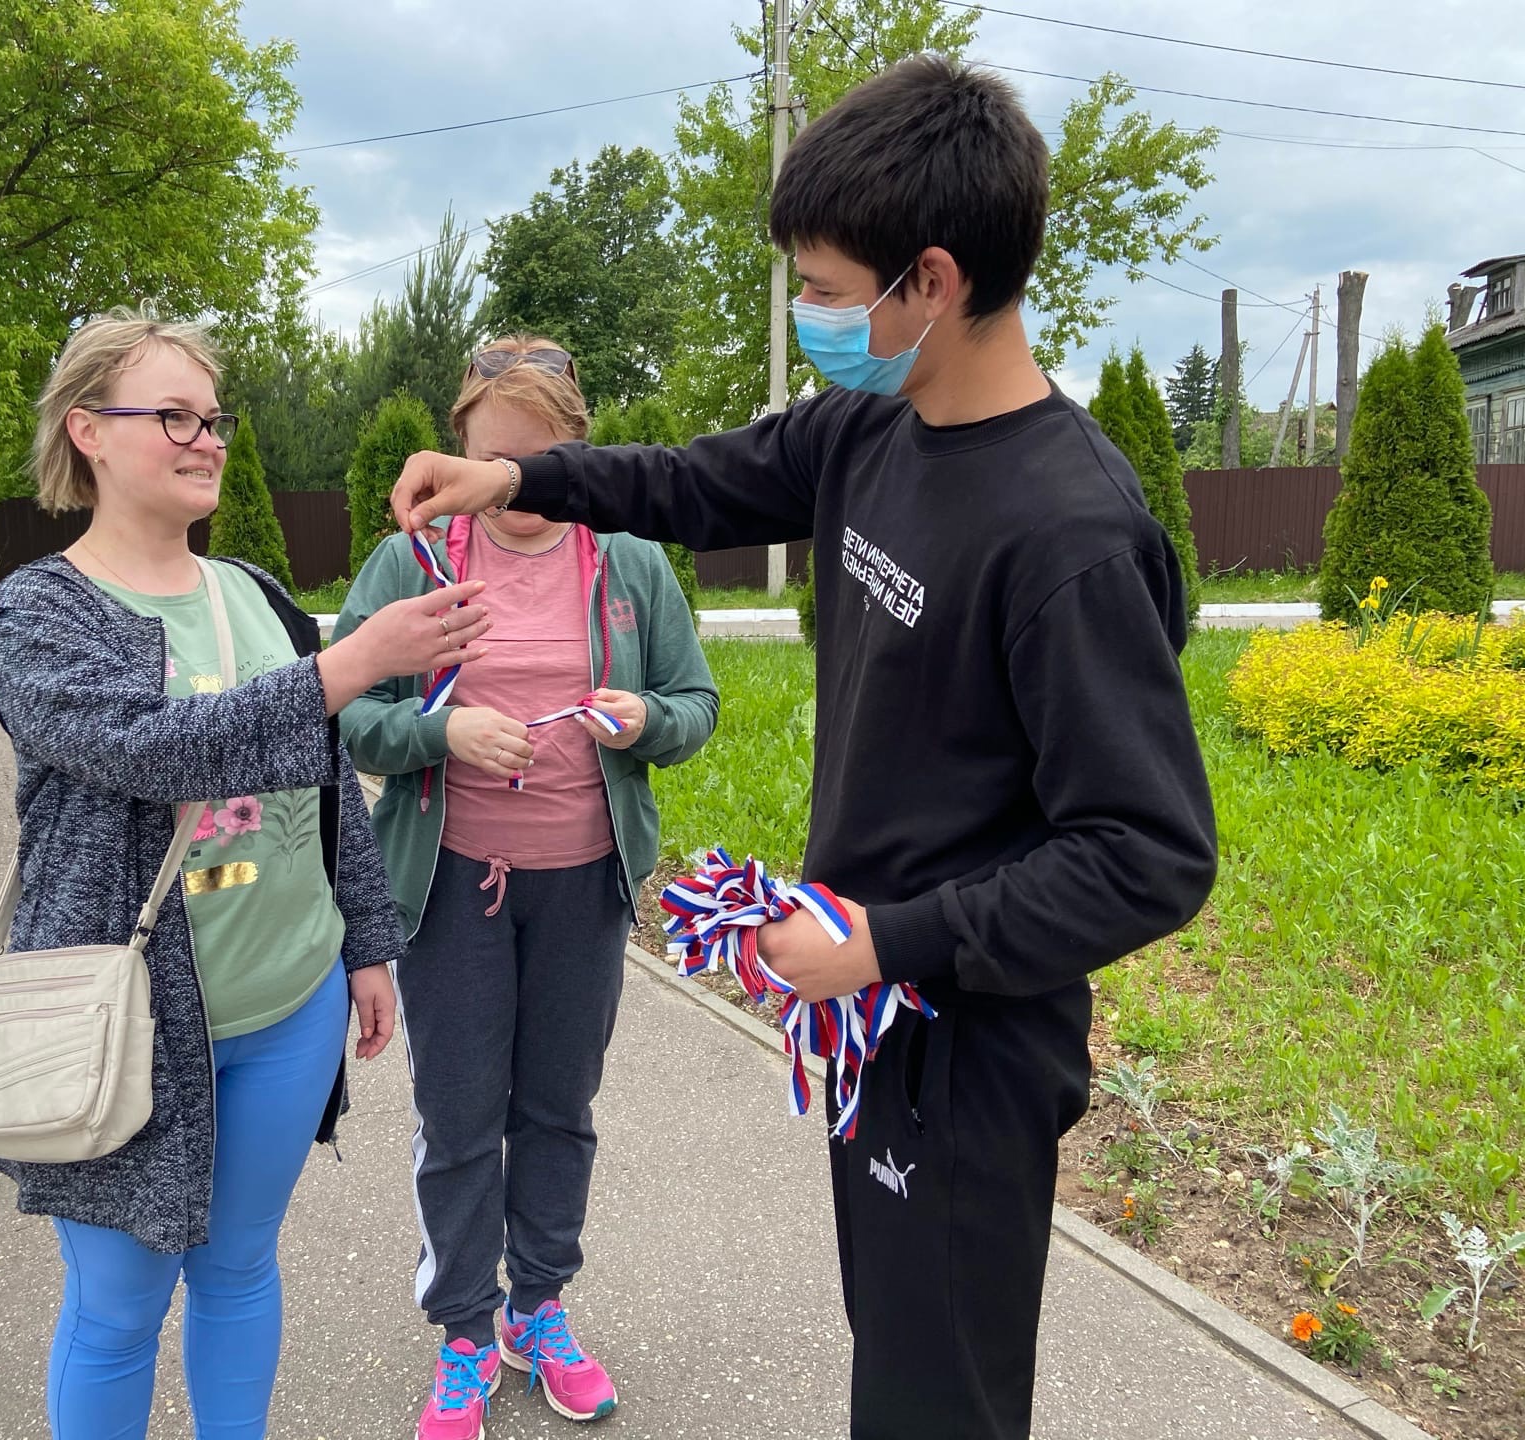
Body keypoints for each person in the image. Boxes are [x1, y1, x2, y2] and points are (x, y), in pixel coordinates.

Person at [388, 58, 1218, 1440]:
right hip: (866, 1006)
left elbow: (1150, 856)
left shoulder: (1068, 536)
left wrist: (892, 943)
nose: (815, 318)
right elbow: (697, 481)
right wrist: (517, 476)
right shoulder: (874, 424)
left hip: (964, 1042)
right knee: (888, 1354)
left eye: (830, 290)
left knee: (933, 1398)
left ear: (933, 281)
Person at [0, 307, 494, 1439]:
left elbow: (319, 784)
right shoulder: (40, 612)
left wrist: (364, 944)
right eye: (171, 416)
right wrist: (354, 664)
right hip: (121, 1021)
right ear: (89, 433)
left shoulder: (253, 593)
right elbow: (148, 748)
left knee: (241, 1267)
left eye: (211, 418)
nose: (206, 438)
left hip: (288, 1003)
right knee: (117, 1307)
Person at [335, 336, 718, 1439]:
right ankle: (463, 1328)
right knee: (460, 1116)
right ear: (459, 449)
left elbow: (694, 703)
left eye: (539, 463)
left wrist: (647, 720)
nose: (518, 488)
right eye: (495, 460)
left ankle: (537, 1309)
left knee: (558, 1111)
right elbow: (349, 708)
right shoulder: (412, 561)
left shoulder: (628, 562)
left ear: (575, 455)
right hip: (452, 889)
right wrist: (441, 728)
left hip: (584, 890)